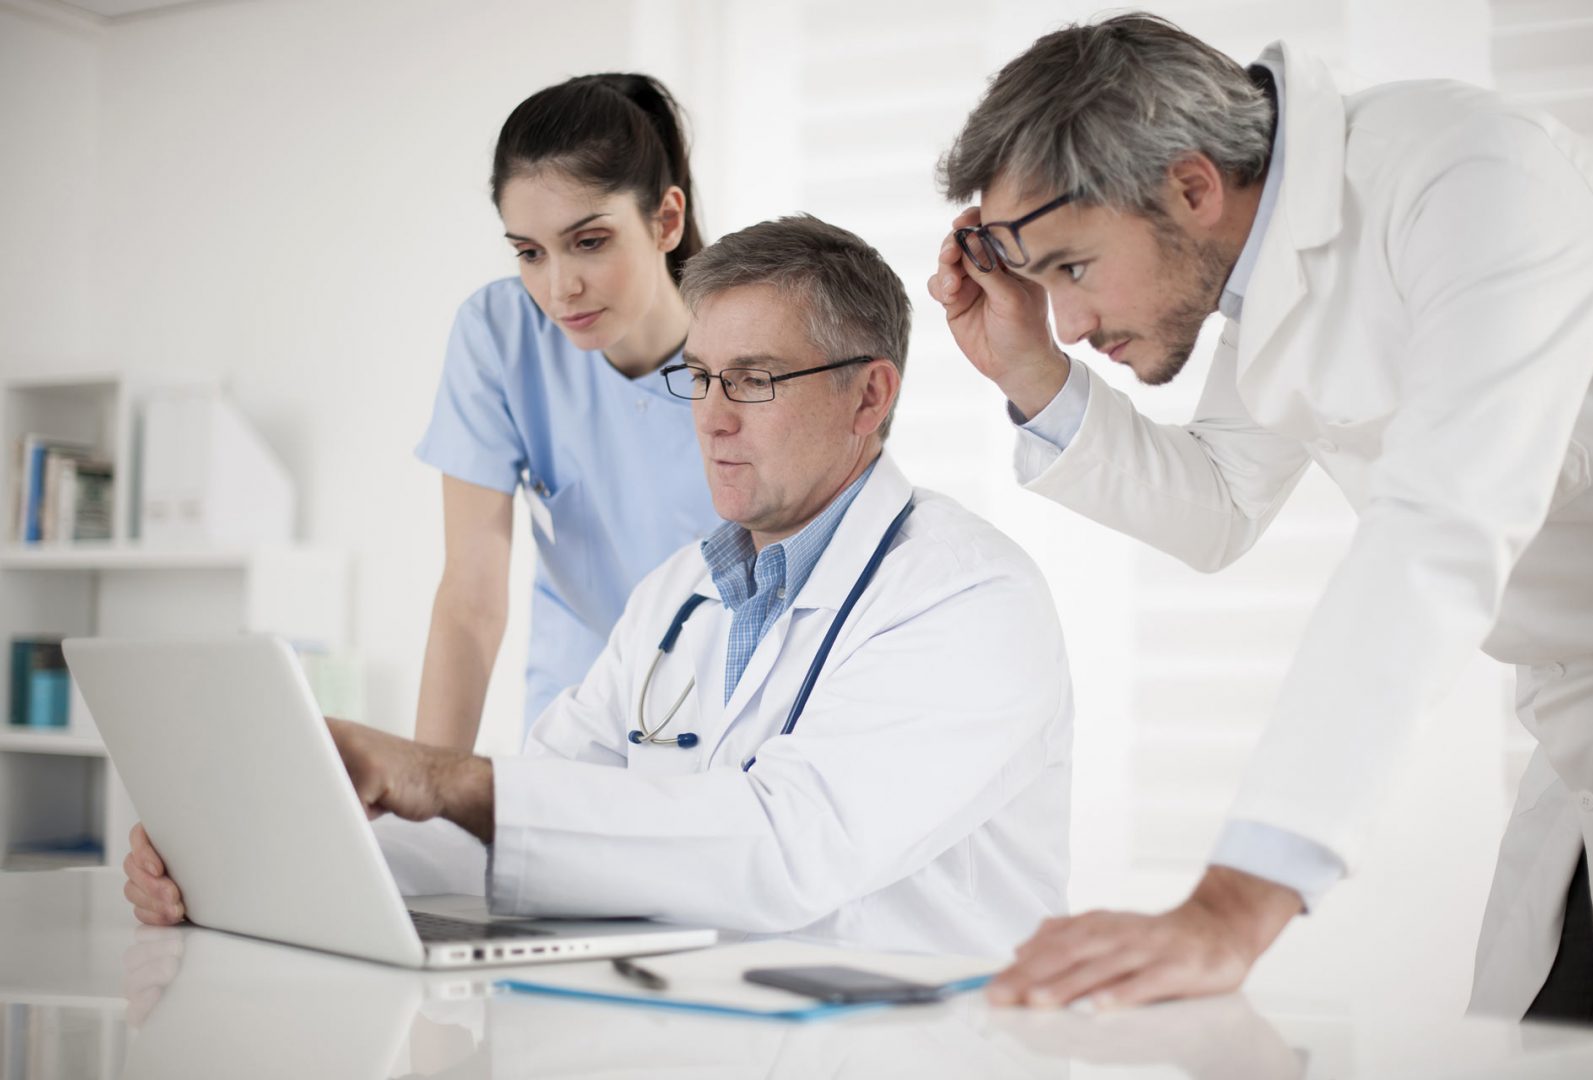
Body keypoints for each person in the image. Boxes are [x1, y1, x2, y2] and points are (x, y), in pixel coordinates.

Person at [125, 215, 1075, 957]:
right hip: (704, 1031)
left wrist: (443, 774)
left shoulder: (968, 598)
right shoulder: (677, 595)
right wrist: (250, 850)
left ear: (871, 396)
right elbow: (530, 819)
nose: (709, 421)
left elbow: (790, 849)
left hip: (916, 1052)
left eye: (751, 382)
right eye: (698, 379)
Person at [929, 13, 1593, 1023]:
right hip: (1586, 733)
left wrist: (1234, 904)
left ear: (1193, 186)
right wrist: (1027, 371)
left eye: (1071, 268)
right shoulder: (1269, 264)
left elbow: (1442, 526)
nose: (1069, 325)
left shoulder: (1472, 182)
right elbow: (1220, 504)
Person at [414, 73, 719, 751]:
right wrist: (424, 794)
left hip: (724, 718)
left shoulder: (748, 356)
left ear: (665, 220)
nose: (559, 287)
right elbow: (471, 600)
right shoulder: (499, 334)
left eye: (589, 242)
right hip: (575, 714)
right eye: (529, 252)